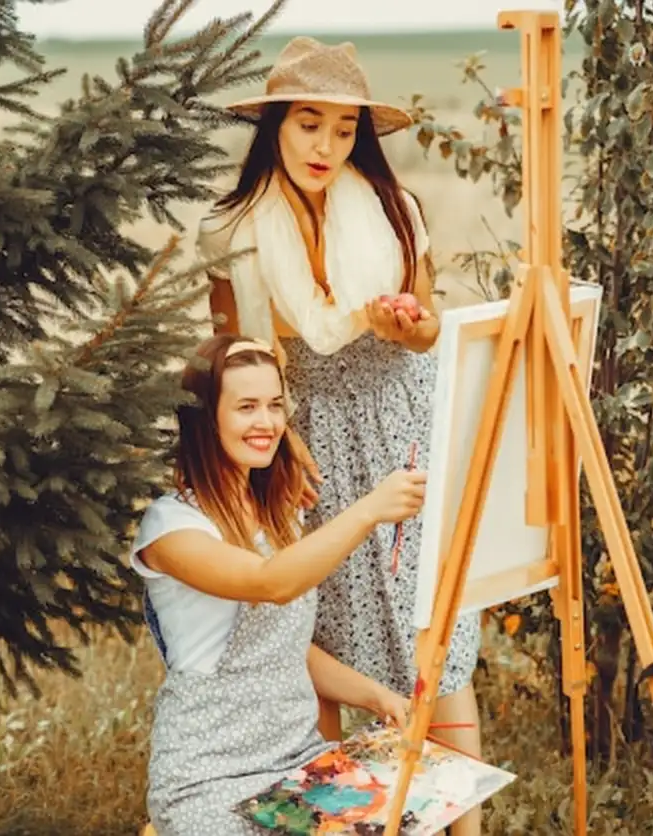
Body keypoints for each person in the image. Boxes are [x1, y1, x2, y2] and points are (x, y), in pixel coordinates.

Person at [196, 35, 484, 834]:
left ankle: (464, 825)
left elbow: (428, 331)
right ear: (277, 127)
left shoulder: (396, 210)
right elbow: (237, 358)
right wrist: (279, 445)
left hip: (401, 421)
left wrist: (408, 325)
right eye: (309, 125)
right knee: (322, 634)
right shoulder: (235, 231)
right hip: (306, 434)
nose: (326, 146)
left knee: (433, 623)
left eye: (344, 129)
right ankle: (335, 825)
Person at [132, 334, 429, 836]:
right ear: (207, 420)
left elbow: (284, 646)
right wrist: (370, 510)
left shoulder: (278, 513)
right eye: (246, 407)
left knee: (413, 818)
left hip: (298, 762)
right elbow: (271, 584)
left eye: (274, 406)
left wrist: (378, 697)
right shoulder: (171, 529)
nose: (267, 423)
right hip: (209, 777)